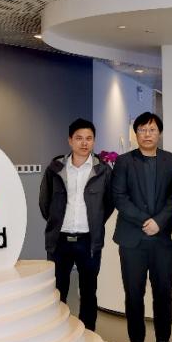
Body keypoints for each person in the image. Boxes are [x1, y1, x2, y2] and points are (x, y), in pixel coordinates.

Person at [111, 112, 172, 342]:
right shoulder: (123, 162)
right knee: (134, 293)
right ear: (136, 134)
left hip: (162, 240)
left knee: (163, 292)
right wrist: (145, 221)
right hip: (132, 239)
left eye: (152, 130)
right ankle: (137, 341)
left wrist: (159, 222)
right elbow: (119, 197)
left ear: (159, 133)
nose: (147, 134)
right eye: (142, 130)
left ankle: (163, 340)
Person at [38, 118, 114, 331]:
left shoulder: (103, 171)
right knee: (57, 291)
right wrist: (56, 222)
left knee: (89, 291)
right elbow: (45, 202)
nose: (84, 143)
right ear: (70, 140)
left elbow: (108, 204)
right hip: (60, 240)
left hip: (89, 241)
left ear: (94, 141)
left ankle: (87, 334)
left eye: (89, 138)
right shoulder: (55, 168)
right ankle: (58, 334)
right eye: (79, 138)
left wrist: (95, 222)